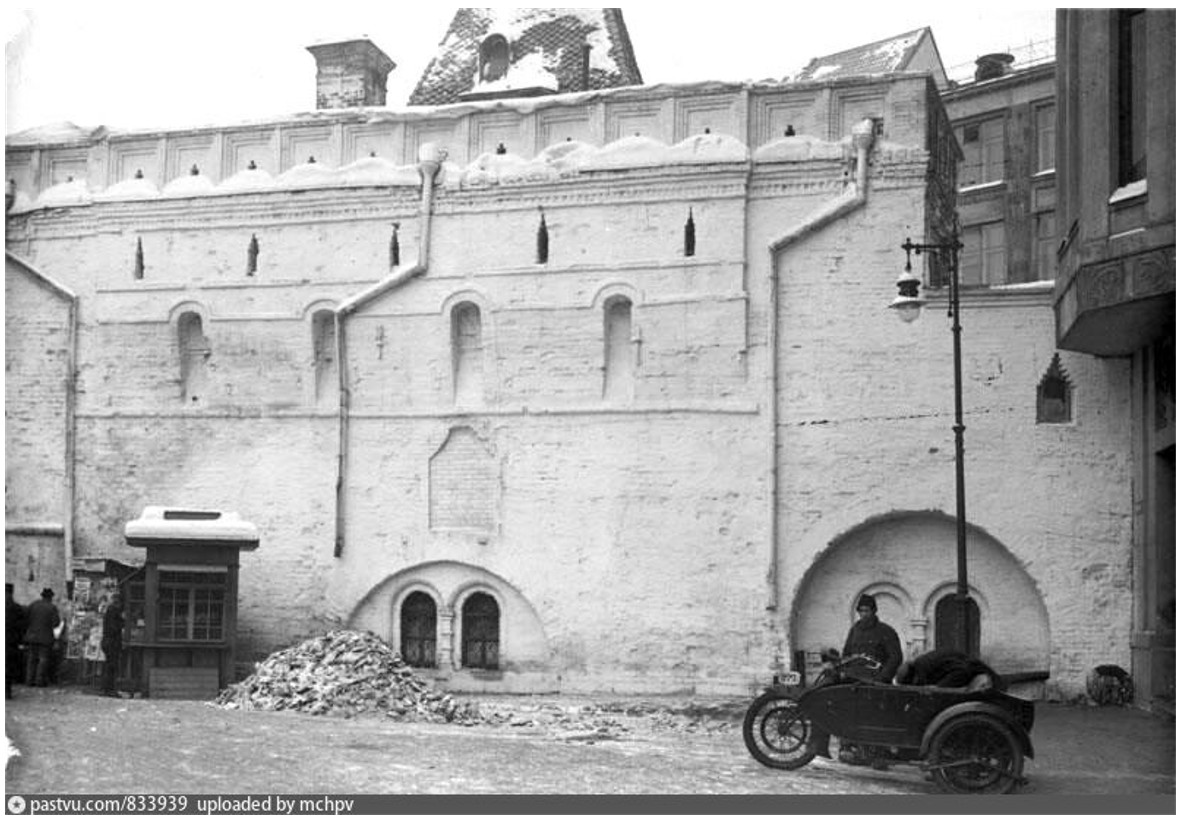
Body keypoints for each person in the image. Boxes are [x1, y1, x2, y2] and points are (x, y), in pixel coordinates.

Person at [841, 594, 903, 683]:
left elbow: (895, 658)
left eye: (867, 611)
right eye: (861, 611)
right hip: (853, 681)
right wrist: (845, 672)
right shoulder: (854, 631)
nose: (864, 614)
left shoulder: (886, 631)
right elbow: (846, 654)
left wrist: (882, 678)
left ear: (874, 611)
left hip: (876, 682)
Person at [895, 648, 1006, 692]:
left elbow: (961, 671)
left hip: (971, 670)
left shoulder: (925, 667)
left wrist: (941, 688)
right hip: (967, 668)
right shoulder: (922, 665)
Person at [23, 588, 61, 687]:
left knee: (31, 659)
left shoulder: (33, 604)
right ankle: (39, 680)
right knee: (43, 660)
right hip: (45, 638)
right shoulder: (52, 607)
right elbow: (56, 624)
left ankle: (29, 680)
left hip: (32, 636)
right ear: (50, 597)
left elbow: (25, 618)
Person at [99, 590, 125, 697]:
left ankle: (106, 688)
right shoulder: (114, 612)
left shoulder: (109, 611)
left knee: (108, 665)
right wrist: (123, 622)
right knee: (111, 666)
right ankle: (109, 689)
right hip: (112, 642)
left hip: (107, 641)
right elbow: (114, 628)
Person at [6, 584, 27, 698]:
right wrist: (20, 641)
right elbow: (22, 626)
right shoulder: (16, 608)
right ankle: (6, 691)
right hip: (11, 642)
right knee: (8, 667)